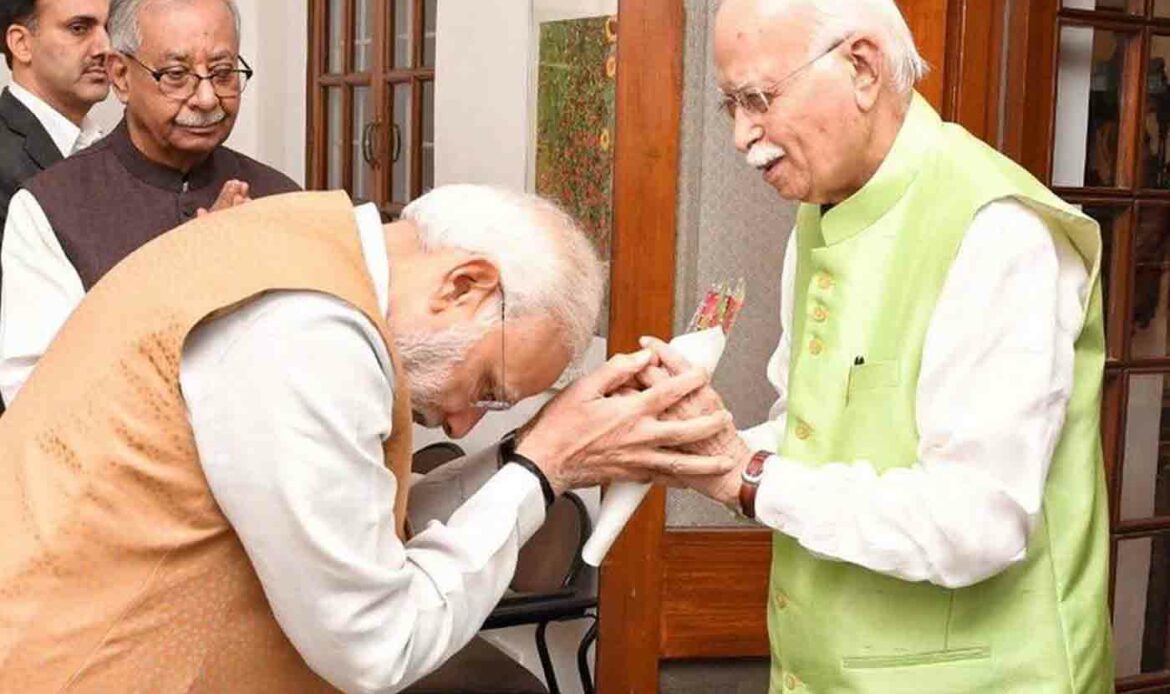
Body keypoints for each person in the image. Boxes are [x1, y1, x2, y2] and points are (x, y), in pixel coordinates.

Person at [0, 184, 730, 691]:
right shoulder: (306, 331)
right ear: (463, 285)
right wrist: (543, 469)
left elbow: (357, 523)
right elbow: (376, 645)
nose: (461, 424)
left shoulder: (301, 242)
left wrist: (533, 451)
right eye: (487, 389)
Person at [646, 0, 1114, 691]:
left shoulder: (998, 231)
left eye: (758, 100)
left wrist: (748, 477)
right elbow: (812, 434)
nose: (743, 136)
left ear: (862, 68)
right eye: (730, 106)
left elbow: (976, 523)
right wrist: (696, 448)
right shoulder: (820, 214)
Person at [0, 0, 298, 404]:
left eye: (223, 73)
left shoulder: (280, 195)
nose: (207, 98)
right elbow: (39, 402)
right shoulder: (48, 206)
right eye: (176, 75)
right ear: (121, 76)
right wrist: (191, 281)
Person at [0, 0, 110, 413]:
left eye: (107, 27)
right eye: (79, 28)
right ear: (21, 43)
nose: (104, 47)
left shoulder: (103, 148)